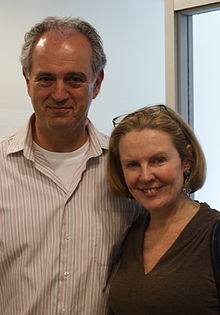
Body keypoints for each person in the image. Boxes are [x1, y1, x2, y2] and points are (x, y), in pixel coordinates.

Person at [0, 16, 143, 315]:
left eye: (75, 79)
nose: (59, 93)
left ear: (97, 82)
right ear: (27, 80)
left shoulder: (129, 173)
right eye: (46, 78)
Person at [107, 104, 220, 314]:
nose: (145, 176)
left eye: (158, 160)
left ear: (186, 160)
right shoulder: (130, 234)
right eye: (132, 164)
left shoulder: (213, 233)